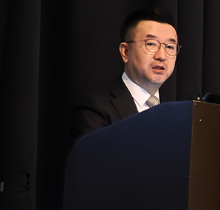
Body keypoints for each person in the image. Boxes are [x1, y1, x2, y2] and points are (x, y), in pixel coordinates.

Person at [69, 8, 180, 143]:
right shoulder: (95, 108)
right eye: (151, 44)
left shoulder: (178, 112)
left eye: (170, 47)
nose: (161, 56)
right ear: (125, 52)